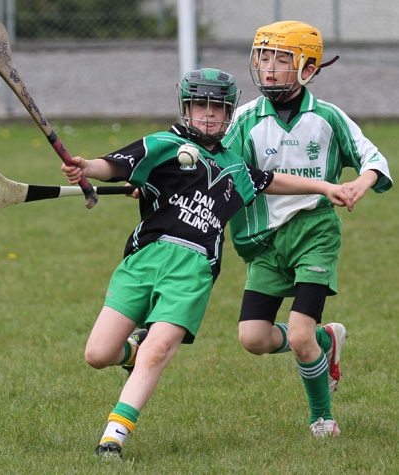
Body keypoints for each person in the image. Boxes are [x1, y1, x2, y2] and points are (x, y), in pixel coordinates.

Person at [62, 67, 354, 461]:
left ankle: (112, 439)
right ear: (186, 107)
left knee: (159, 349)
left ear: (229, 112)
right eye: (200, 105)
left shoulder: (235, 167)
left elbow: (273, 180)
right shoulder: (164, 144)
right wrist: (86, 166)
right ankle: (130, 353)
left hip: (194, 268)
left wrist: (326, 186)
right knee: (98, 354)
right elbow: (116, 165)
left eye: (217, 107)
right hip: (144, 259)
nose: (208, 114)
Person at [222, 21, 393, 437]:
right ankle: (327, 339)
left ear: (308, 69)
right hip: (264, 241)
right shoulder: (244, 119)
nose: (269, 68)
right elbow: (214, 170)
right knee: (253, 338)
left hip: (315, 234)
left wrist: (360, 183)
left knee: (299, 337)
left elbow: (375, 161)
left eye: (282, 59)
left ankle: (322, 416)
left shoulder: (328, 117)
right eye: (263, 57)